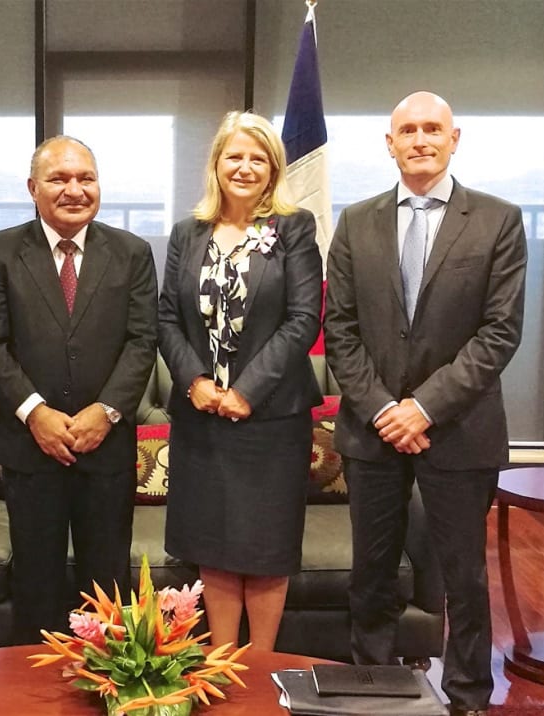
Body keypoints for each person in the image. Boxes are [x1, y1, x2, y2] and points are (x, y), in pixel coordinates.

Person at [324, 91, 527, 716]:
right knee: (372, 572)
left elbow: (500, 331)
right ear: (390, 144)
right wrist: (388, 409)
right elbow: (342, 330)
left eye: (431, 129)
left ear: (454, 138)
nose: (419, 139)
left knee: (462, 577)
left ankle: (468, 695)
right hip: (371, 430)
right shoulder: (356, 221)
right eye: (406, 130)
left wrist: (425, 408)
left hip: (460, 429)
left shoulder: (497, 219)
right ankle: (373, 689)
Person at [0, 136, 158, 643]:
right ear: (33, 188)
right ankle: (34, 693)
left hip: (107, 448)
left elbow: (144, 341)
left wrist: (108, 411)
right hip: (31, 449)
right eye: (59, 179)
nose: (74, 189)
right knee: (36, 583)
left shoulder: (132, 253)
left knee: (108, 585)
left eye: (86, 178)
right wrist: (35, 413)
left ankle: (104, 687)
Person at [158, 111, 322, 651]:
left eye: (259, 158)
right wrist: (194, 382)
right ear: (216, 164)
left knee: (266, 548)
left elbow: (303, 319)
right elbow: (166, 318)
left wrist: (248, 391)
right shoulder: (188, 233)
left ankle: (261, 672)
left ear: (273, 169)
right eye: (235, 156)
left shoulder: (293, 229)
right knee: (216, 546)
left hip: (271, 419)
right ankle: (222, 667)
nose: (245, 167)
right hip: (202, 418)